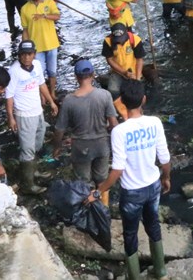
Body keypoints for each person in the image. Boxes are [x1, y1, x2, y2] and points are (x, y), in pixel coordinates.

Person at [87, 80, 170, 280]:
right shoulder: (155, 123)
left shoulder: (119, 131)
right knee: (153, 226)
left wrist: (99, 192)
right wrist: (166, 178)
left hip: (132, 192)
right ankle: (160, 271)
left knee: (130, 234)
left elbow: (117, 170)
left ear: (122, 102)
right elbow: (165, 158)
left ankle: (134, 276)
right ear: (144, 99)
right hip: (153, 186)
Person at [53, 59, 117, 205]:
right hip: (102, 145)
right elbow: (114, 124)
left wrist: (57, 147)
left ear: (76, 77)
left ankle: (88, 212)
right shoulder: (105, 95)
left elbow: (59, 129)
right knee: (102, 181)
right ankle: (103, 210)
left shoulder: (69, 100)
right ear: (93, 75)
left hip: (81, 148)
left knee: (83, 182)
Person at [6, 40, 58, 195]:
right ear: (19, 56)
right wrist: (11, 117)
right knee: (27, 149)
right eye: (23, 54)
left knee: (38, 141)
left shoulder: (37, 65)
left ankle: (34, 171)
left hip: (37, 111)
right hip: (24, 114)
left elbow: (41, 84)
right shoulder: (14, 71)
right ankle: (28, 185)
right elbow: (9, 96)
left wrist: (51, 102)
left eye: (29, 54)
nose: (26, 57)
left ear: (34, 54)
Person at [19, 0, 61, 94]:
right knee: (39, 73)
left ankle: (52, 93)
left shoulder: (50, 2)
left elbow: (57, 16)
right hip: (36, 47)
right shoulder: (25, 8)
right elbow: (25, 30)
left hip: (52, 44)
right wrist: (25, 48)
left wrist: (44, 16)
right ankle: (42, 97)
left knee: (52, 72)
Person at [102, 23, 147, 100]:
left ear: (126, 32)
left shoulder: (135, 40)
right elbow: (109, 59)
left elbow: (139, 59)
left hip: (134, 71)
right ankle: (118, 107)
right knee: (113, 91)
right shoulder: (107, 41)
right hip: (117, 71)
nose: (120, 42)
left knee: (137, 92)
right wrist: (124, 72)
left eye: (121, 39)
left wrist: (137, 78)